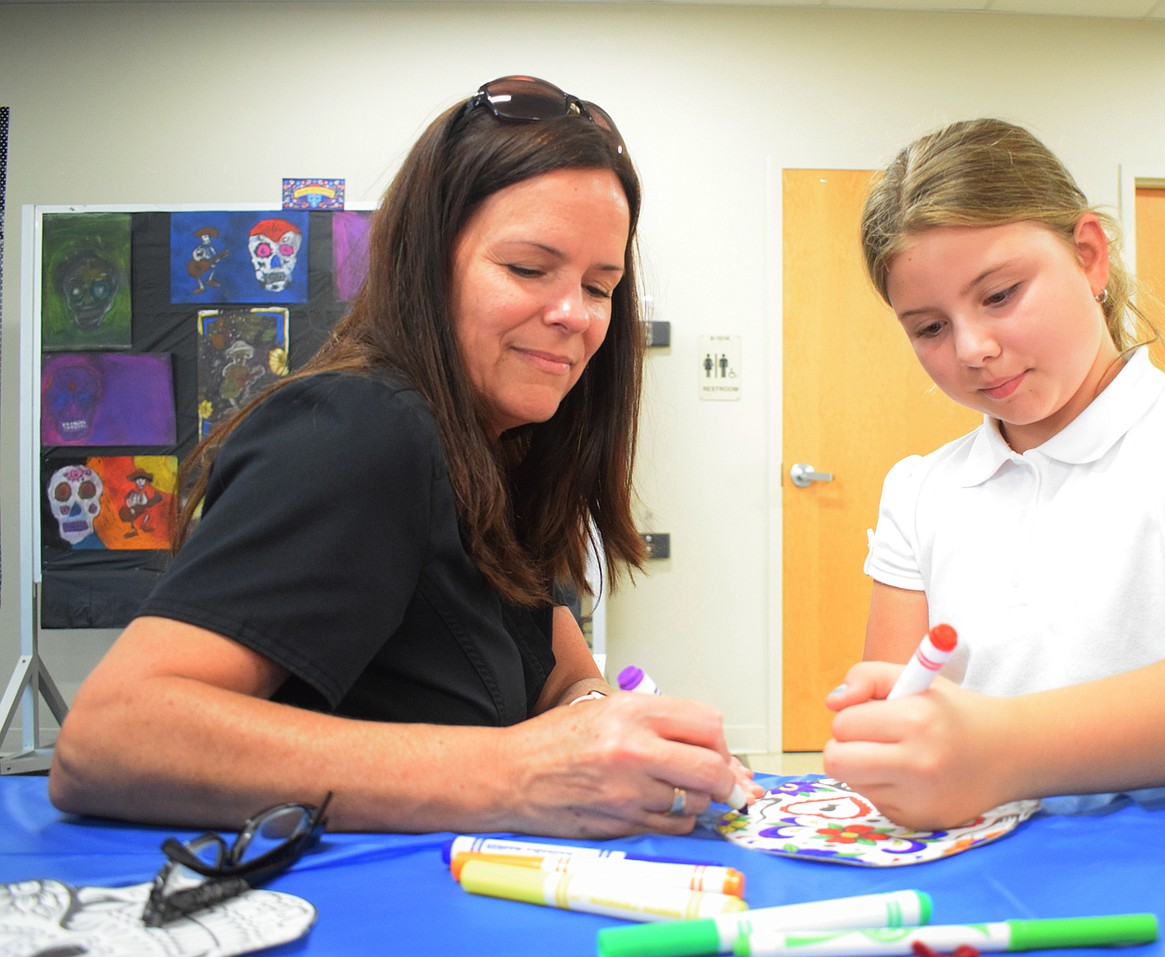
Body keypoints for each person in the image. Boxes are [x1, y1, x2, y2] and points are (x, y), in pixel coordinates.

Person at [50, 75, 758, 835]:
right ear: (428, 260)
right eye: (527, 269)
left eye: (599, 285)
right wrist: (521, 772)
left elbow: (562, 676)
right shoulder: (362, 427)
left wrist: (599, 727)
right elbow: (111, 737)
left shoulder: (501, 449)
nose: (573, 316)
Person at [822, 118, 1165, 830]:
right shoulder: (921, 490)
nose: (973, 348)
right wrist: (891, 741)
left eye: (999, 295)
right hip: (994, 862)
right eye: (929, 328)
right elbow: (902, 712)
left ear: (1090, 256)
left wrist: (1004, 748)